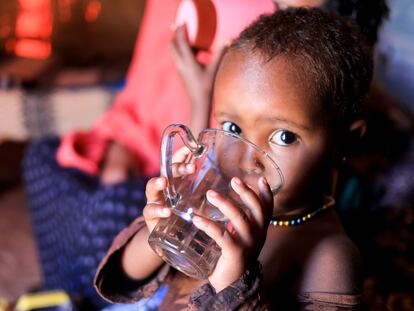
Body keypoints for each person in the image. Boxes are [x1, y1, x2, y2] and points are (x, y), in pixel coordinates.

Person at [94, 8, 373, 310]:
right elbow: (124, 277)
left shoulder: (329, 257)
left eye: (284, 136)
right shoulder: (212, 201)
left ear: (345, 141)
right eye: (232, 128)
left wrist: (235, 281)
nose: (245, 159)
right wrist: (159, 228)